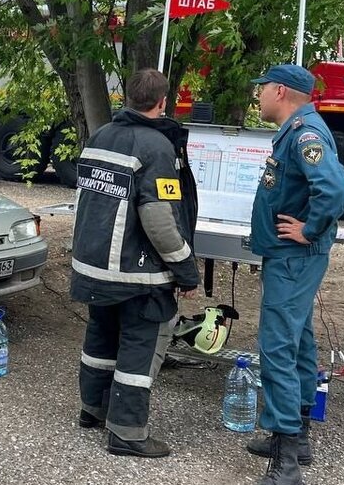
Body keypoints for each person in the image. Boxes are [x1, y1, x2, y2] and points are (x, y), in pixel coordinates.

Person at [69, 69, 200, 459]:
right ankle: (126, 432)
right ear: (162, 103)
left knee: (101, 337)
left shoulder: (102, 135)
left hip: (94, 268)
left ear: (128, 98)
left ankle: (93, 410)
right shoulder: (158, 147)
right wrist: (185, 268)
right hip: (137, 273)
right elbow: (159, 220)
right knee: (140, 347)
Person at [245, 64, 344, 485]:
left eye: (262, 88)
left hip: (294, 257)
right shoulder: (298, 129)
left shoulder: (306, 133)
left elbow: (337, 190)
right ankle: (299, 434)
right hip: (288, 255)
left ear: (281, 91)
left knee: (277, 347)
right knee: (300, 339)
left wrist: (309, 229)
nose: (259, 96)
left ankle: (285, 459)